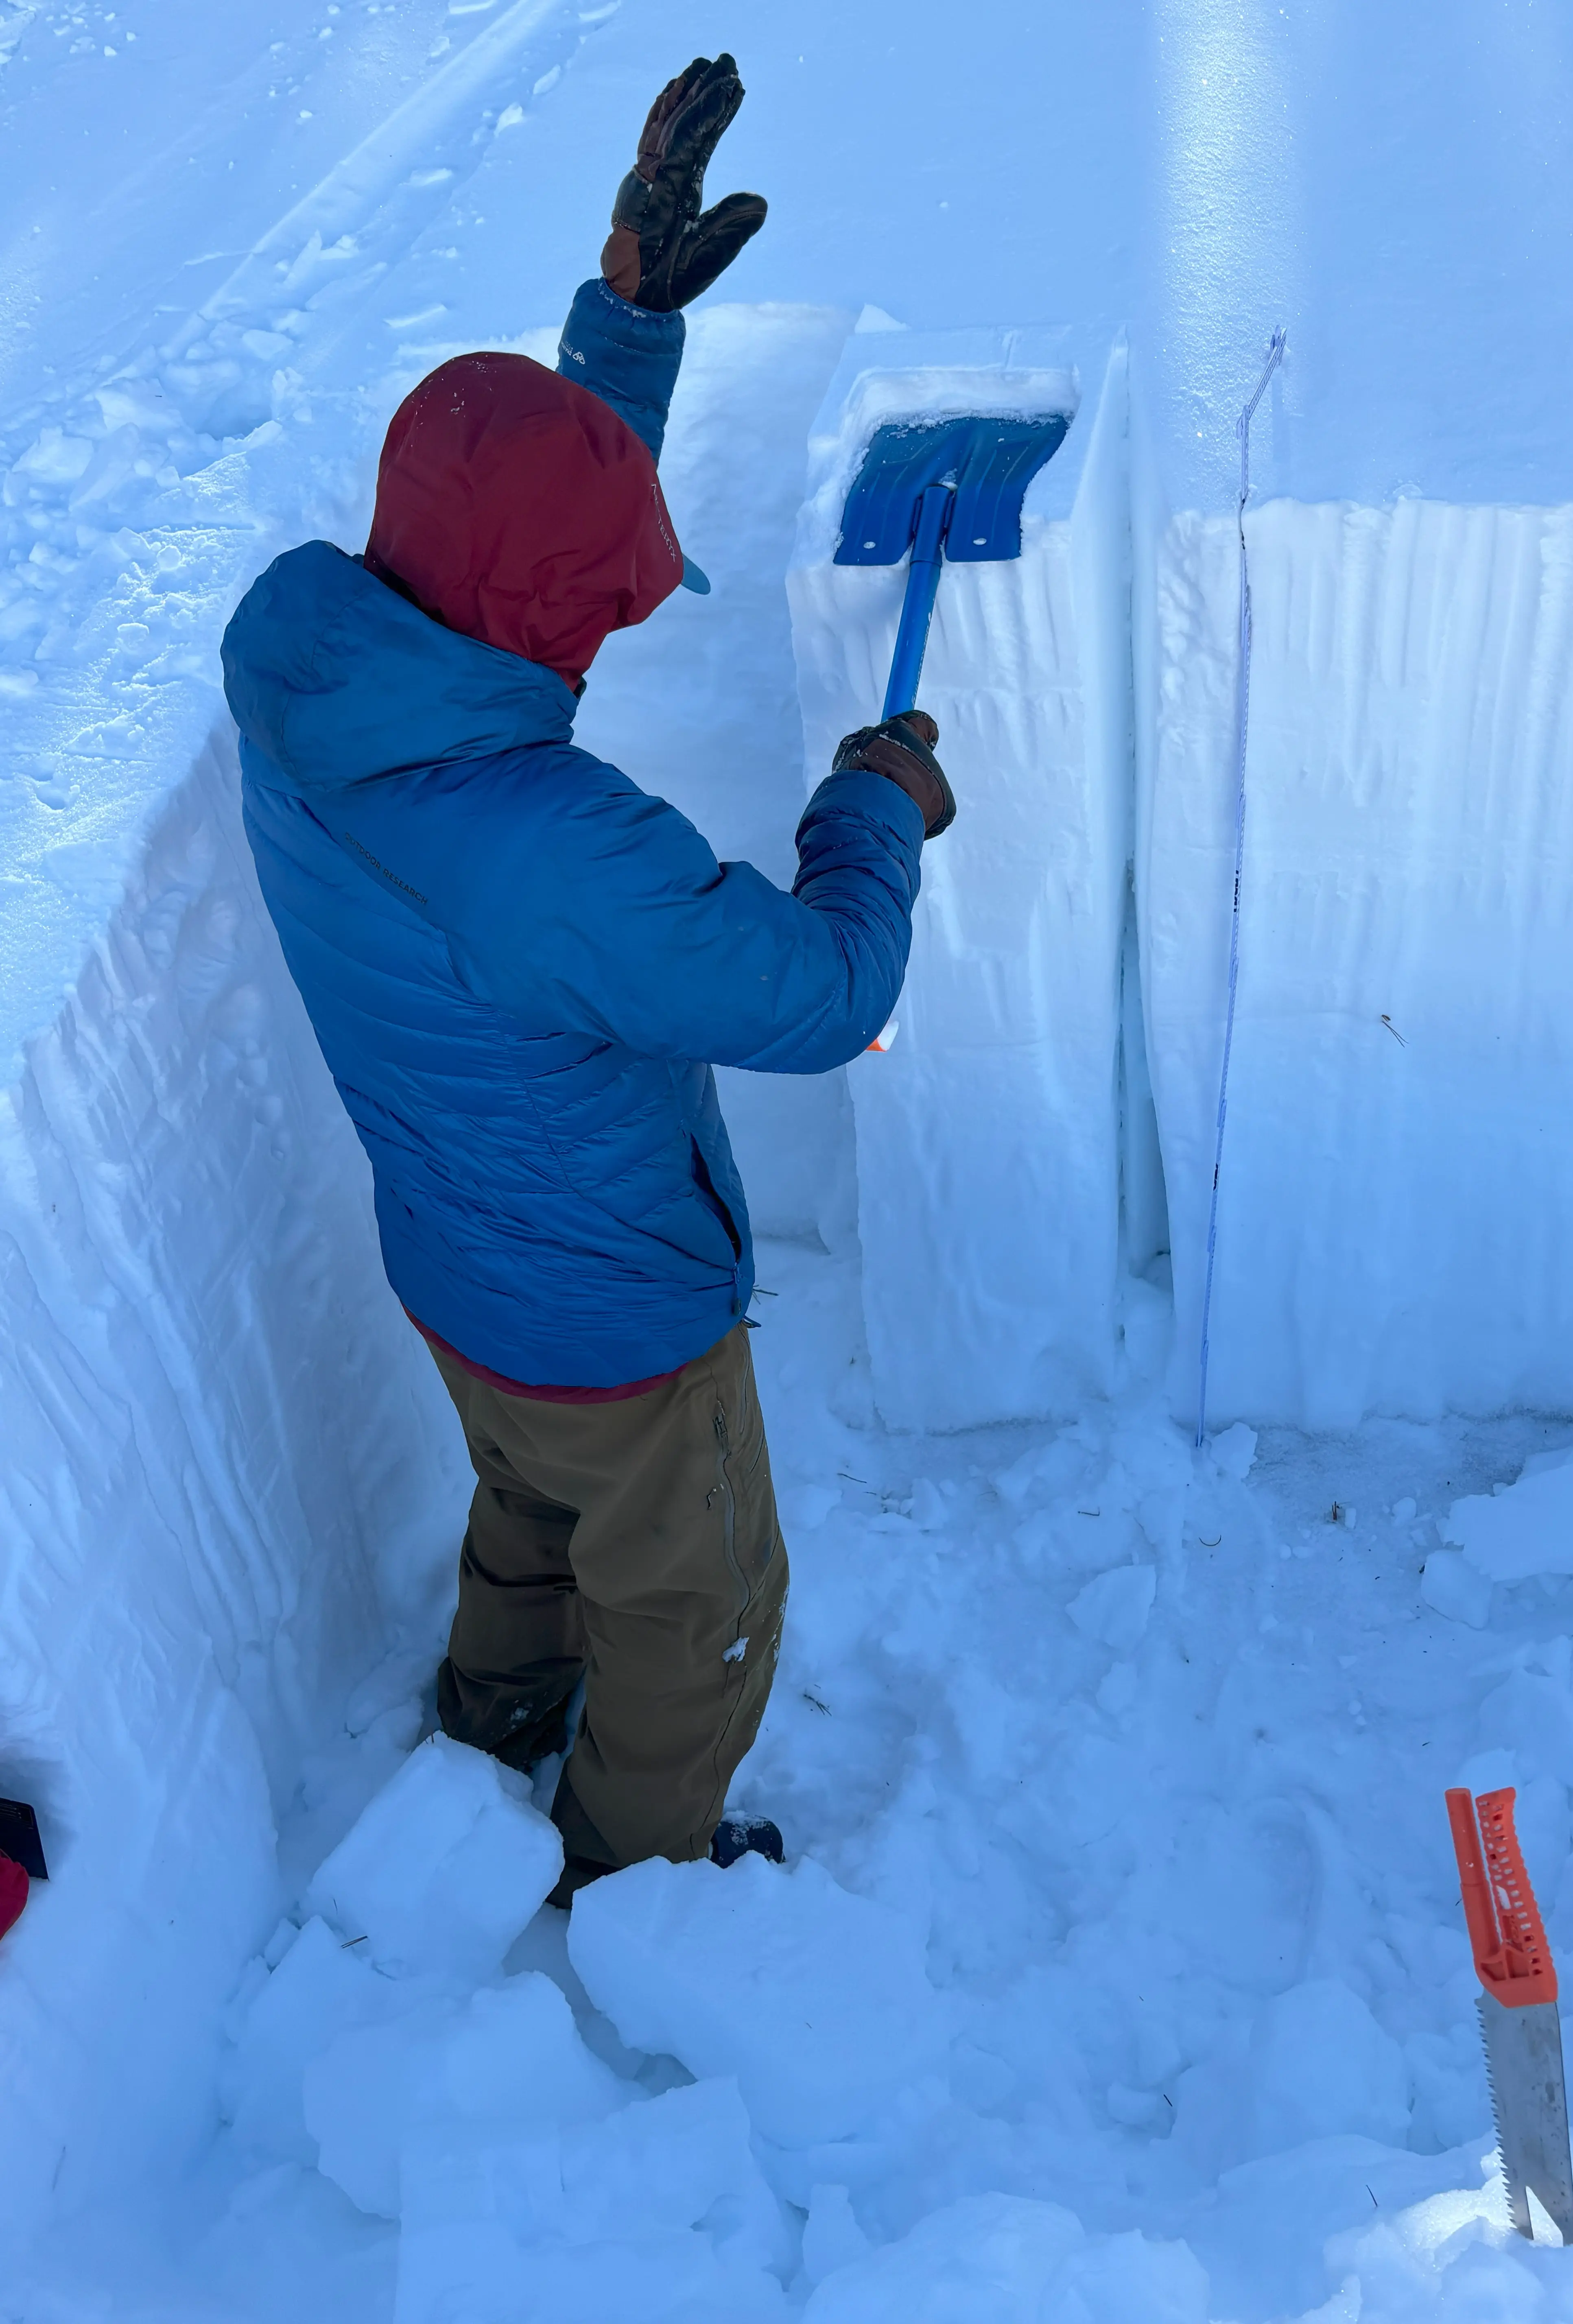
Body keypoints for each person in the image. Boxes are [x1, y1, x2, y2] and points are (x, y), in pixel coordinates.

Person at [220, 57, 955, 1902]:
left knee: (530, 1519)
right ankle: (635, 1876)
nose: (606, 626)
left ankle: (484, 1730)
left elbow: (497, 530)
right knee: (696, 1598)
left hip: (457, 1266)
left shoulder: (307, 661)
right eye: (602, 603)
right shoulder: (553, 851)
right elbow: (817, 998)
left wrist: (619, 328)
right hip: (620, 1315)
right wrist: (875, 810)